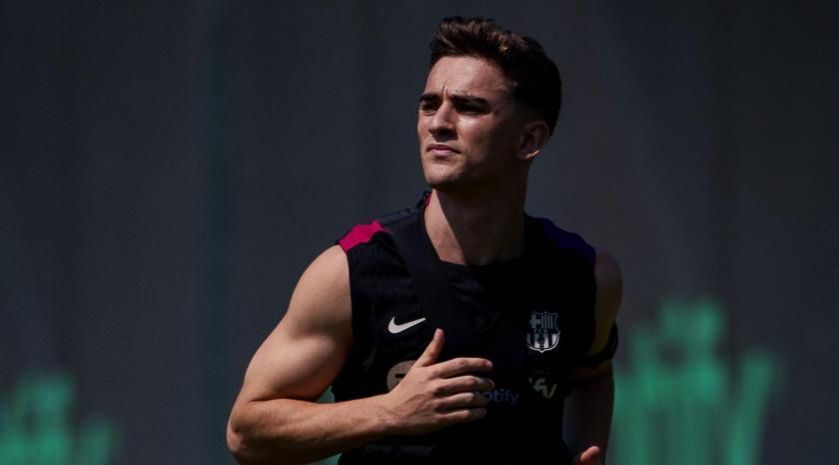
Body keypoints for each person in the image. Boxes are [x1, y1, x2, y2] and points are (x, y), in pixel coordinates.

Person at [226, 16, 622, 465]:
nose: (439, 123)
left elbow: (592, 375)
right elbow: (247, 432)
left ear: (529, 139)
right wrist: (389, 412)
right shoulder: (351, 271)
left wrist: (585, 449)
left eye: (468, 107)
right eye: (429, 105)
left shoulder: (586, 275)